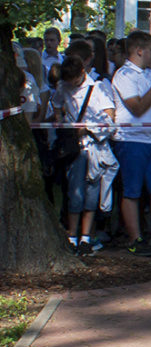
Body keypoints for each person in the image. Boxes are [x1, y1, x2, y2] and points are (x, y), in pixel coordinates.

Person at [112, 31, 151, 255]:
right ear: (140, 50)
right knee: (132, 191)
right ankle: (135, 239)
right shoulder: (124, 74)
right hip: (132, 139)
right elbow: (137, 107)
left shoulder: (149, 74)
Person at [50, 54, 117, 250]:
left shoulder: (98, 88)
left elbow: (109, 117)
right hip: (74, 147)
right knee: (75, 192)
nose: (73, 84)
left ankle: (86, 237)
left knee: (91, 192)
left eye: (76, 81)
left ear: (82, 72)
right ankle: (72, 236)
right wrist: (61, 120)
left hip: (95, 145)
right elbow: (56, 103)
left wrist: (88, 127)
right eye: (69, 82)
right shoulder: (63, 87)